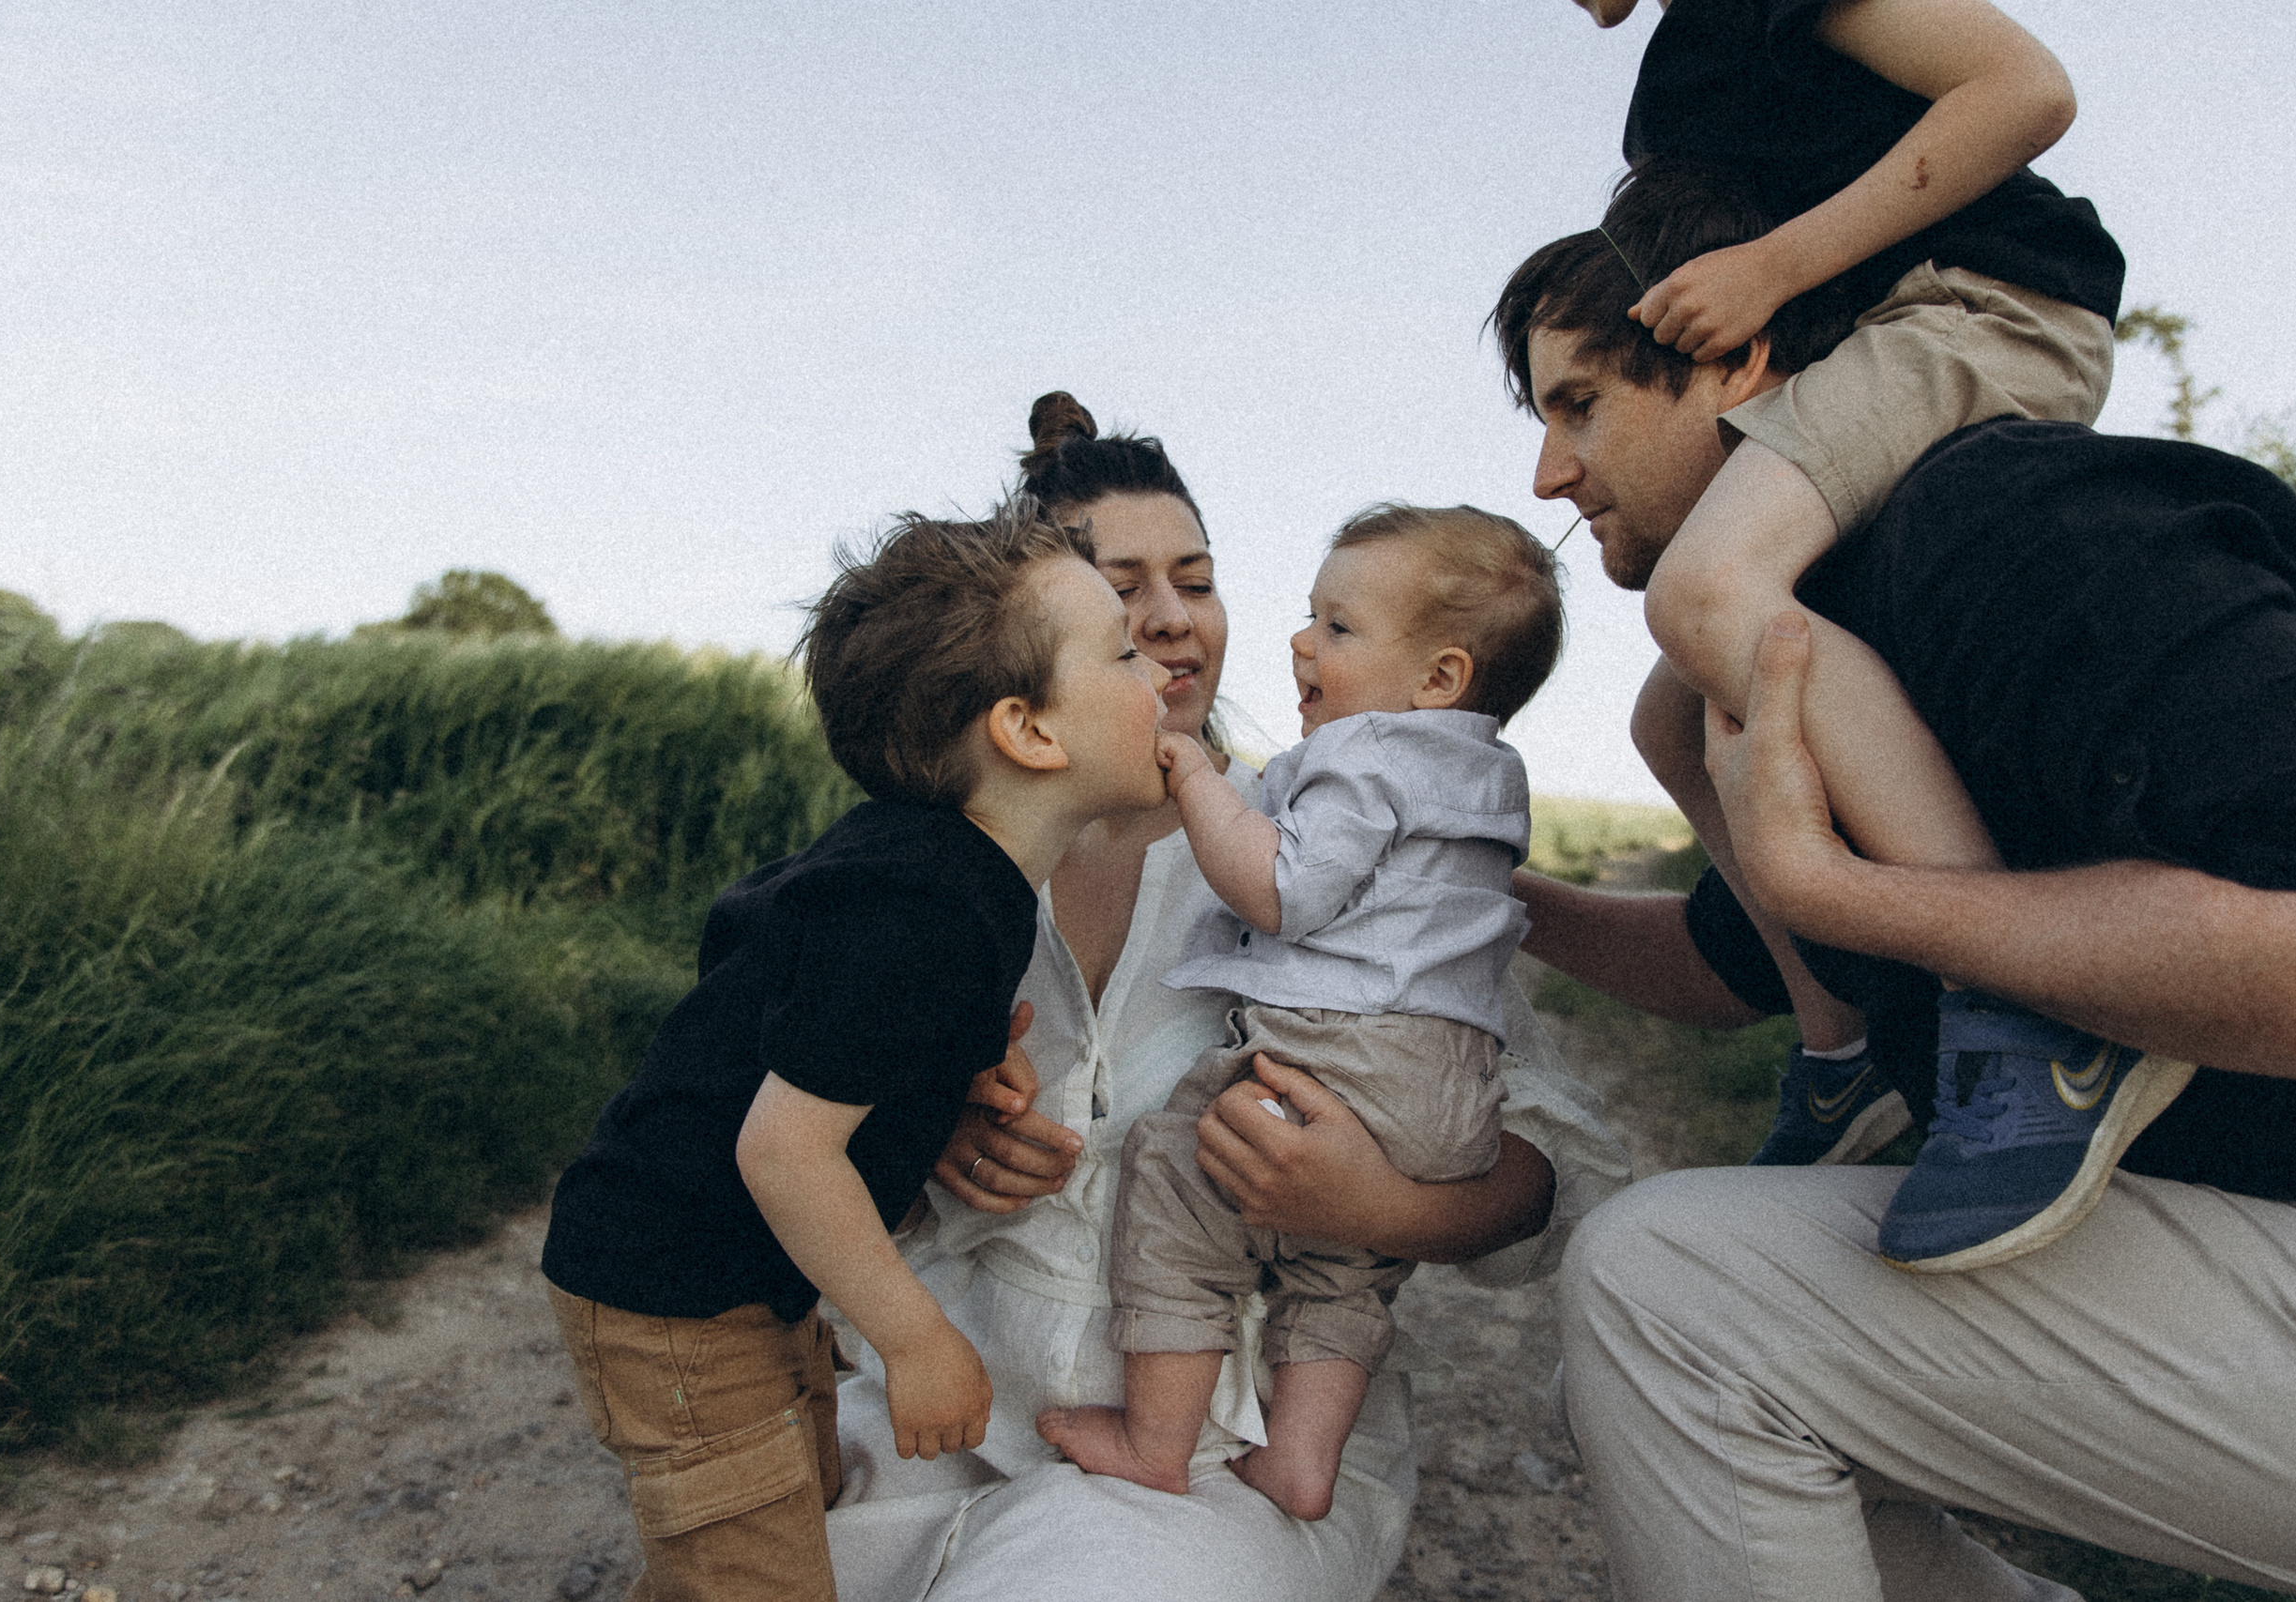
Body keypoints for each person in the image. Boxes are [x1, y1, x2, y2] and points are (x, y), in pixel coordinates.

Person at [1497, 167, 2296, 1597]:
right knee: (1635, 1364)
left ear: (1738, 354)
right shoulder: (1806, 637)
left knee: (1671, 1295)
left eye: (1579, 405)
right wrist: (1493, 888)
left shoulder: (2016, 526)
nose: (1547, 475)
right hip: (2289, 1261)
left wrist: (1852, 896)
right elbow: (1730, 961)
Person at [823, 395, 1630, 1602]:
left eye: (1195, 580)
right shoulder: (934, 865)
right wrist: (926, 1131)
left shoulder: (1355, 843)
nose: (1170, 620)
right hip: (940, 1408)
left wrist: (1383, 1204)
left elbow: (1540, 1173)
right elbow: (778, 1125)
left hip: (1219, 1452)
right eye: (1122, 588)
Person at [1567, 0, 2161, 1242]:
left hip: (1981, 305)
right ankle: (1848, 1056)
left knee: (1705, 590)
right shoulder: (1677, 78)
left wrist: (1779, 266)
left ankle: (2032, 1009)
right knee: (1672, 713)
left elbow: (2024, 89)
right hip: (1878, 335)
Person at [540, 504, 1173, 1602]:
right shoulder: (925, 908)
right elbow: (785, 1152)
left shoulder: (943, 872)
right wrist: (918, 1341)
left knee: (775, 1519)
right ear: (1028, 731)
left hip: (741, 1282)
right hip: (677, 1289)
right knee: (755, 1560)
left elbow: (777, 986)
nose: (1155, 672)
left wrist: (942, 1078)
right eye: (1121, 653)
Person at [1037, 505, 1562, 1521]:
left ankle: (1157, 1440)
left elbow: (1283, 892)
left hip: (1341, 1051)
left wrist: (1196, 779)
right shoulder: (1485, 778)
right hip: (1443, 1078)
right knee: (1346, 1274)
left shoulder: (1356, 758)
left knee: (1177, 1181)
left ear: (1440, 678)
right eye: (1119, 594)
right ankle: (1301, 1458)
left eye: (1336, 627)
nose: (1299, 642)